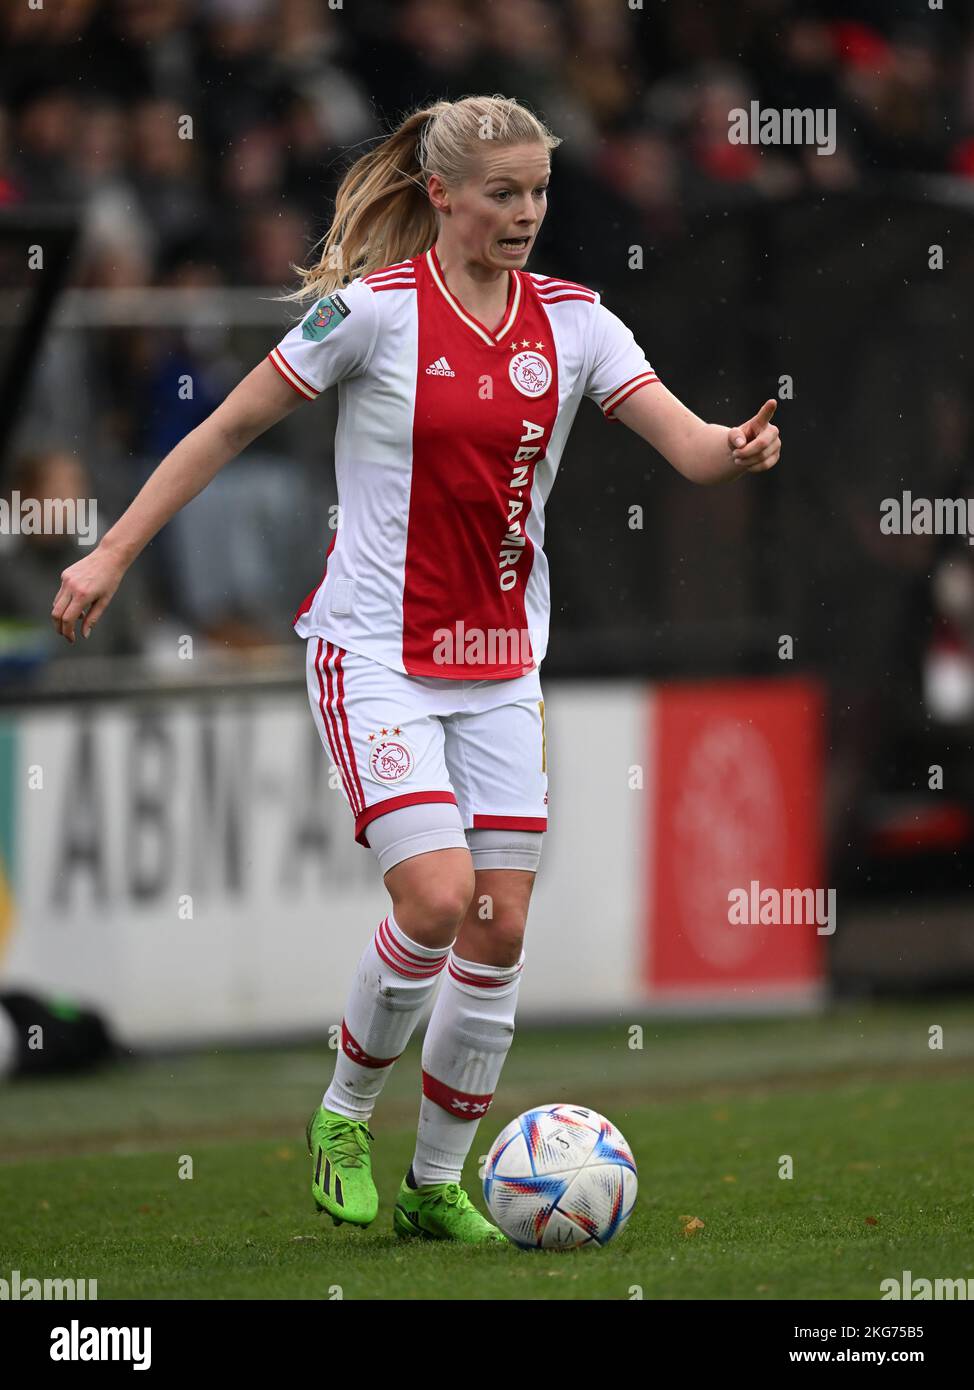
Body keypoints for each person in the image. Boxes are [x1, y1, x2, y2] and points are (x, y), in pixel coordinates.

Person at [50, 94, 780, 1244]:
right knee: (435, 899)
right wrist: (110, 550)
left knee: (495, 926)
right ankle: (343, 1112)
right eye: (502, 193)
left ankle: (435, 1183)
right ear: (440, 195)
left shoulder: (578, 323)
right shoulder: (370, 316)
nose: (525, 214)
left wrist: (730, 451)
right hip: (375, 655)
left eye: (538, 193)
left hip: (500, 667)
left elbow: (685, 445)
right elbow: (224, 427)